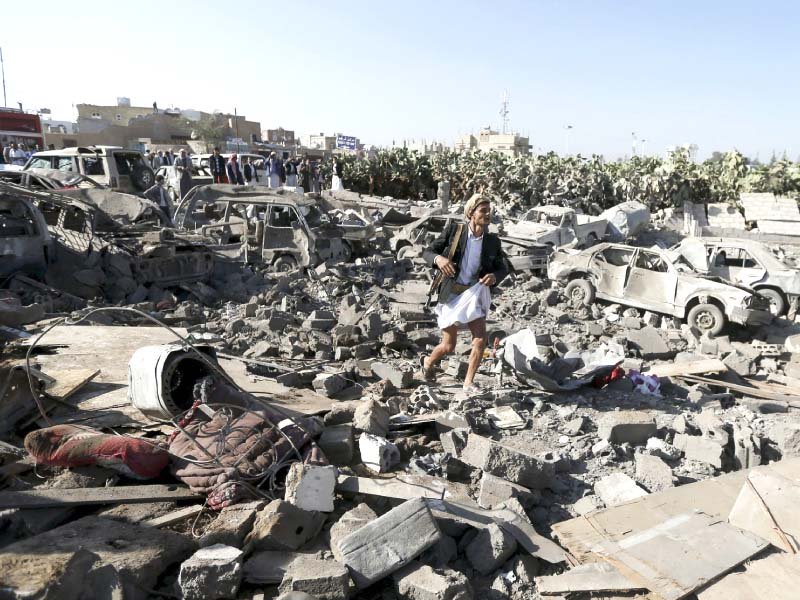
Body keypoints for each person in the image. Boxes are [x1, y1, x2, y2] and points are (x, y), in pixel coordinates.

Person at [419, 194, 508, 392]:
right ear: (471, 213)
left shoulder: (492, 241)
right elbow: (427, 252)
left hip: (474, 293)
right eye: (483, 210)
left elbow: (503, 268)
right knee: (448, 346)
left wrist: (494, 276)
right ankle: (427, 362)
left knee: (480, 339)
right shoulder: (454, 231)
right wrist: (438, 260)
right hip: (451, 294)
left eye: (489, 210)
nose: (487, 214)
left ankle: (468, 383)